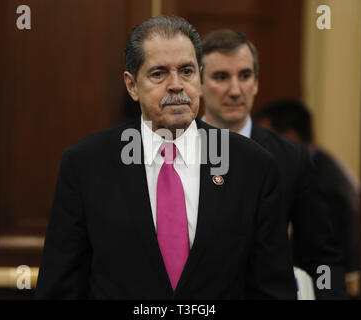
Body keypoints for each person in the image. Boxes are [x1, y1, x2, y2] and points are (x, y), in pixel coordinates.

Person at [35, 16, 296, 299]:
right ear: (132, 85)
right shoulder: (86, 165)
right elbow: (60, 288)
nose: (176, 85)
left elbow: (272, 289)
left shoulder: (252, 166)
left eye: (186, 71)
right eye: (159, 73)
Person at [200, 29, 347, 299]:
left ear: (256, 83)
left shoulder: (291, 158)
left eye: (245, 76)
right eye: (221, 77)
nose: (235, 90)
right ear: (197, 84)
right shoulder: (174, 152)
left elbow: (321, 257)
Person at [254, 99, 360, 296]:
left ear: (290, 136)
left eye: (266, 138)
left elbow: (322, 255)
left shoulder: (323, 181)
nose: (258, 146)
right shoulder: (325, 163)